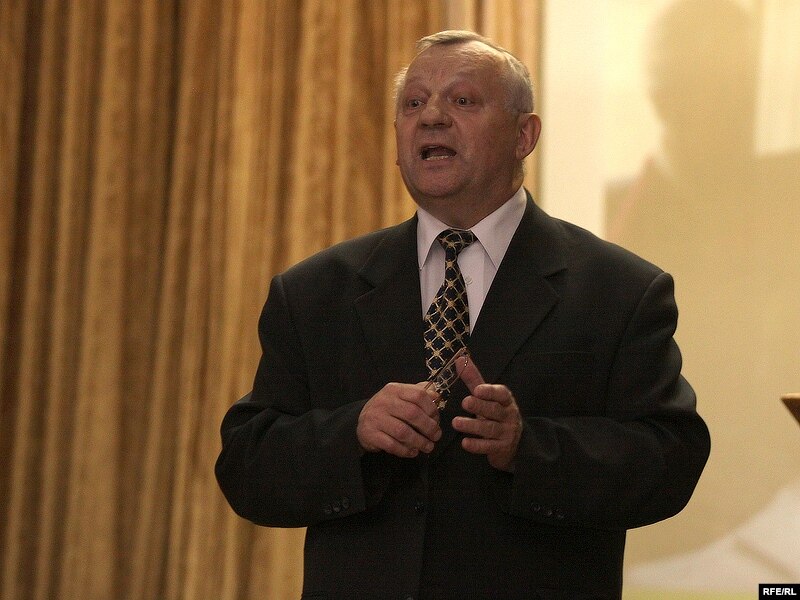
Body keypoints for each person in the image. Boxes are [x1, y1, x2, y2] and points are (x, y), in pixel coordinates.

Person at [216, 30, 710, 600]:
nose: (431, 117)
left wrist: (528, 446)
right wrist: (353, 430)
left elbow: (669, 459)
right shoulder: (315, 291)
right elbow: (247, 465)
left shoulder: (619, 290)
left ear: (524, 135)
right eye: (413, 103)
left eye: (463, 100)